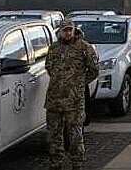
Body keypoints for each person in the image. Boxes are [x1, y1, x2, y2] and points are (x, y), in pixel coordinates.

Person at [46, 21, 99, 170]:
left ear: (74, 30)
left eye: (70, 30)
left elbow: (94, 70)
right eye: (65, 30)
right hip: (54, 99)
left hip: (74, 101)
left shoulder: (84, 48)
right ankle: (56, 162)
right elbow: (49, 67)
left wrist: (79, 83)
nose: (68, 33)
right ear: (60, 31)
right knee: (53, 135)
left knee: (75, 135)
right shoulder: (54, 48)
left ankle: (77, 164)